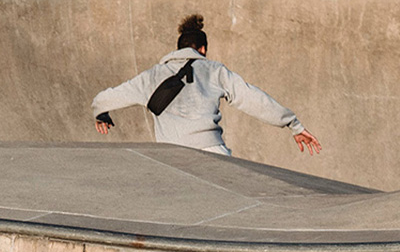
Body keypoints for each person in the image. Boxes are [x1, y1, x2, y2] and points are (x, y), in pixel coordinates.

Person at [91, 13, 322, 158]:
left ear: (179, 48)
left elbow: (105, 98)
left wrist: (101, 113)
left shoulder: (152, 76)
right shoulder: (214, 70)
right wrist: (292, 124)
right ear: (202, 49)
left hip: (172, 158)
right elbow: (253, 98)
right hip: (213, 154)